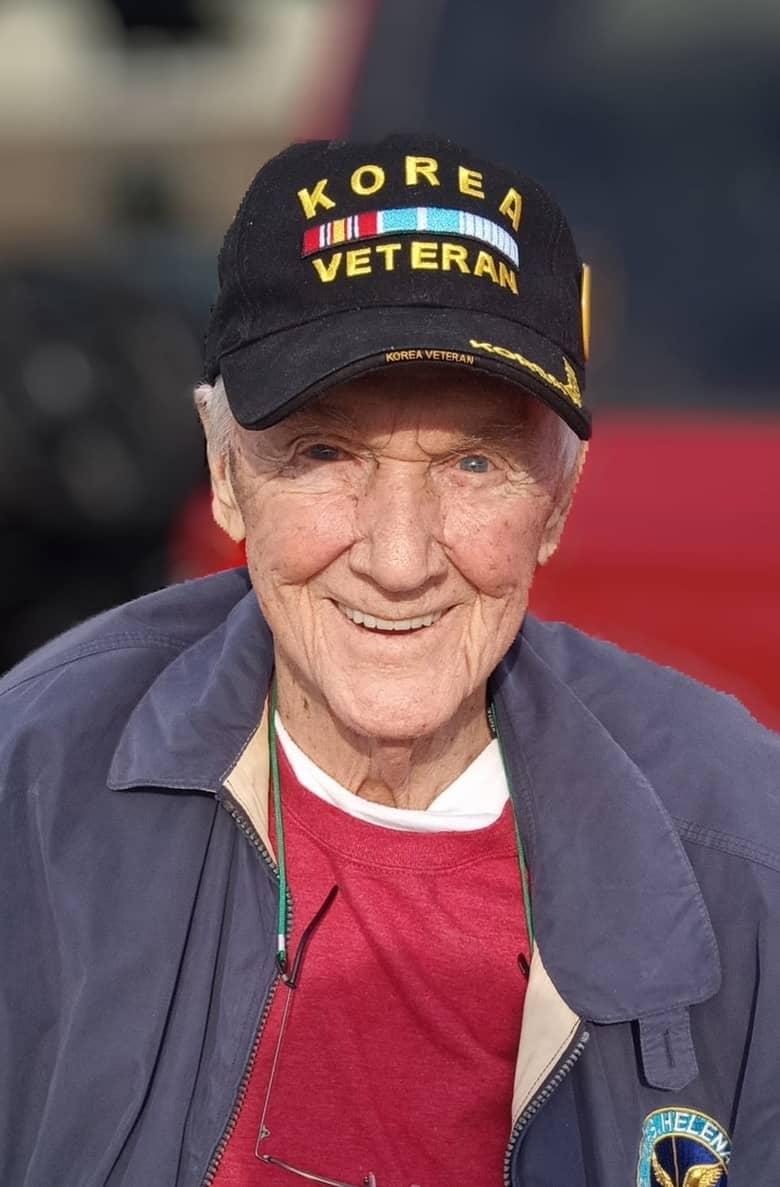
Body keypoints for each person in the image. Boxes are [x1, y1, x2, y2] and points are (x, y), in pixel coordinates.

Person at [0, 134, 777, 1187]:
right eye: (325, 453)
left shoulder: (742, 845)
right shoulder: (33, 784)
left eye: (475, 462)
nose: (400, 559)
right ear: (225, 473)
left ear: (558, 499)